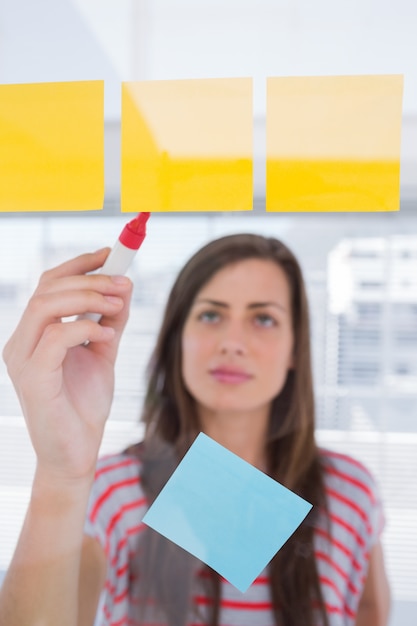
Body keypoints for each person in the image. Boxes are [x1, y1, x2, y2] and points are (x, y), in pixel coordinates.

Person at [0, 233, 390, 626]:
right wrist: (61, 473)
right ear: (176, 338)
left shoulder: (349, 489)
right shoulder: (114, 492)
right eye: (211, 315)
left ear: (295, 349)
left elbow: (370, 612)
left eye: (263, 318)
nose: (232, 342)